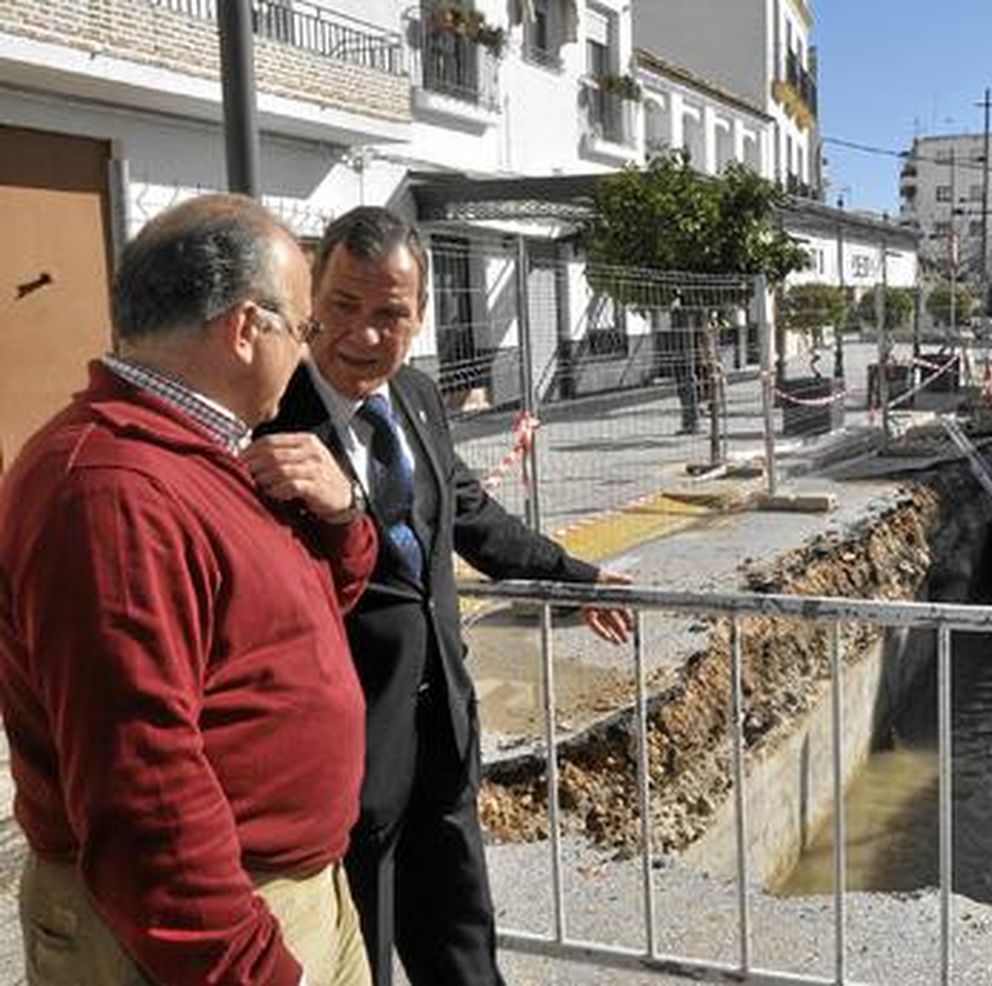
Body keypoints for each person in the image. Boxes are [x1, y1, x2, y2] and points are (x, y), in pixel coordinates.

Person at [0, 194, 377, 985]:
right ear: (246, 329)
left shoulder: (203, 453)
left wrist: (342, 520)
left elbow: (291, 622)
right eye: (304, 329)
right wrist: (248, 966)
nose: (308, 357)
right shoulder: (112, 490)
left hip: (289, 893)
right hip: (203, 933)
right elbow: (142, 785)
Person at [260, 206, 633, 986]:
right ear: (310, 304)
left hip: (445, 743)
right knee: (358, 958)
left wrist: (577, 578)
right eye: (343, 308)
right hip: (345, 766)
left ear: (421, 315)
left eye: (391, 314)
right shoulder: (268, 421)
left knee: (464, 950)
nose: (364, 336)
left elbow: (471, 516)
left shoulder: (420, 397)